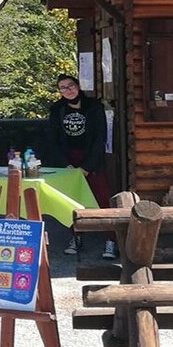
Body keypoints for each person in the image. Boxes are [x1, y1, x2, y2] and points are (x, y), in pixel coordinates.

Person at [46, 74, 116, 259]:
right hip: (69, 160)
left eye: (71, 86)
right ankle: (76, 237)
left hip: (92, 159)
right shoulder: (57, 109)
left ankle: (111, 240)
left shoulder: (94, 107)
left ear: (78, 86)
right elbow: (52, 141)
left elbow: (100, 137)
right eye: (63, 88)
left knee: (102, 199)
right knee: (73, 201)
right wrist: (65, 165)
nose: (68, 90)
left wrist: (87, 166)